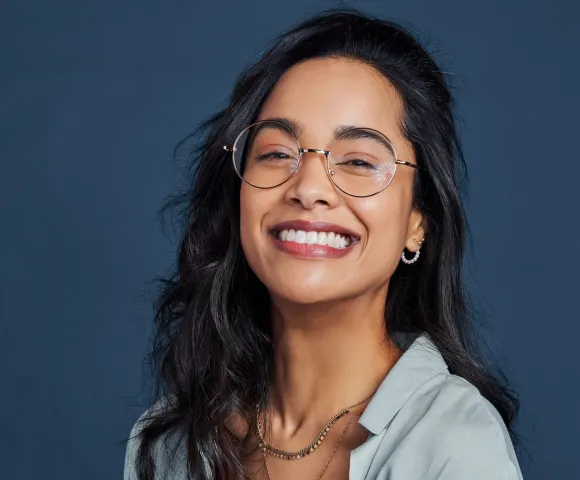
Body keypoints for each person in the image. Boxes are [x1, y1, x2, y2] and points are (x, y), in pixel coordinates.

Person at [123, 9, 522, 479]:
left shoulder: (452, 443)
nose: (308, 187)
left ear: (418, 222)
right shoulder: (168, 439)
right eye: (276, 153)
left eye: (358, 161)